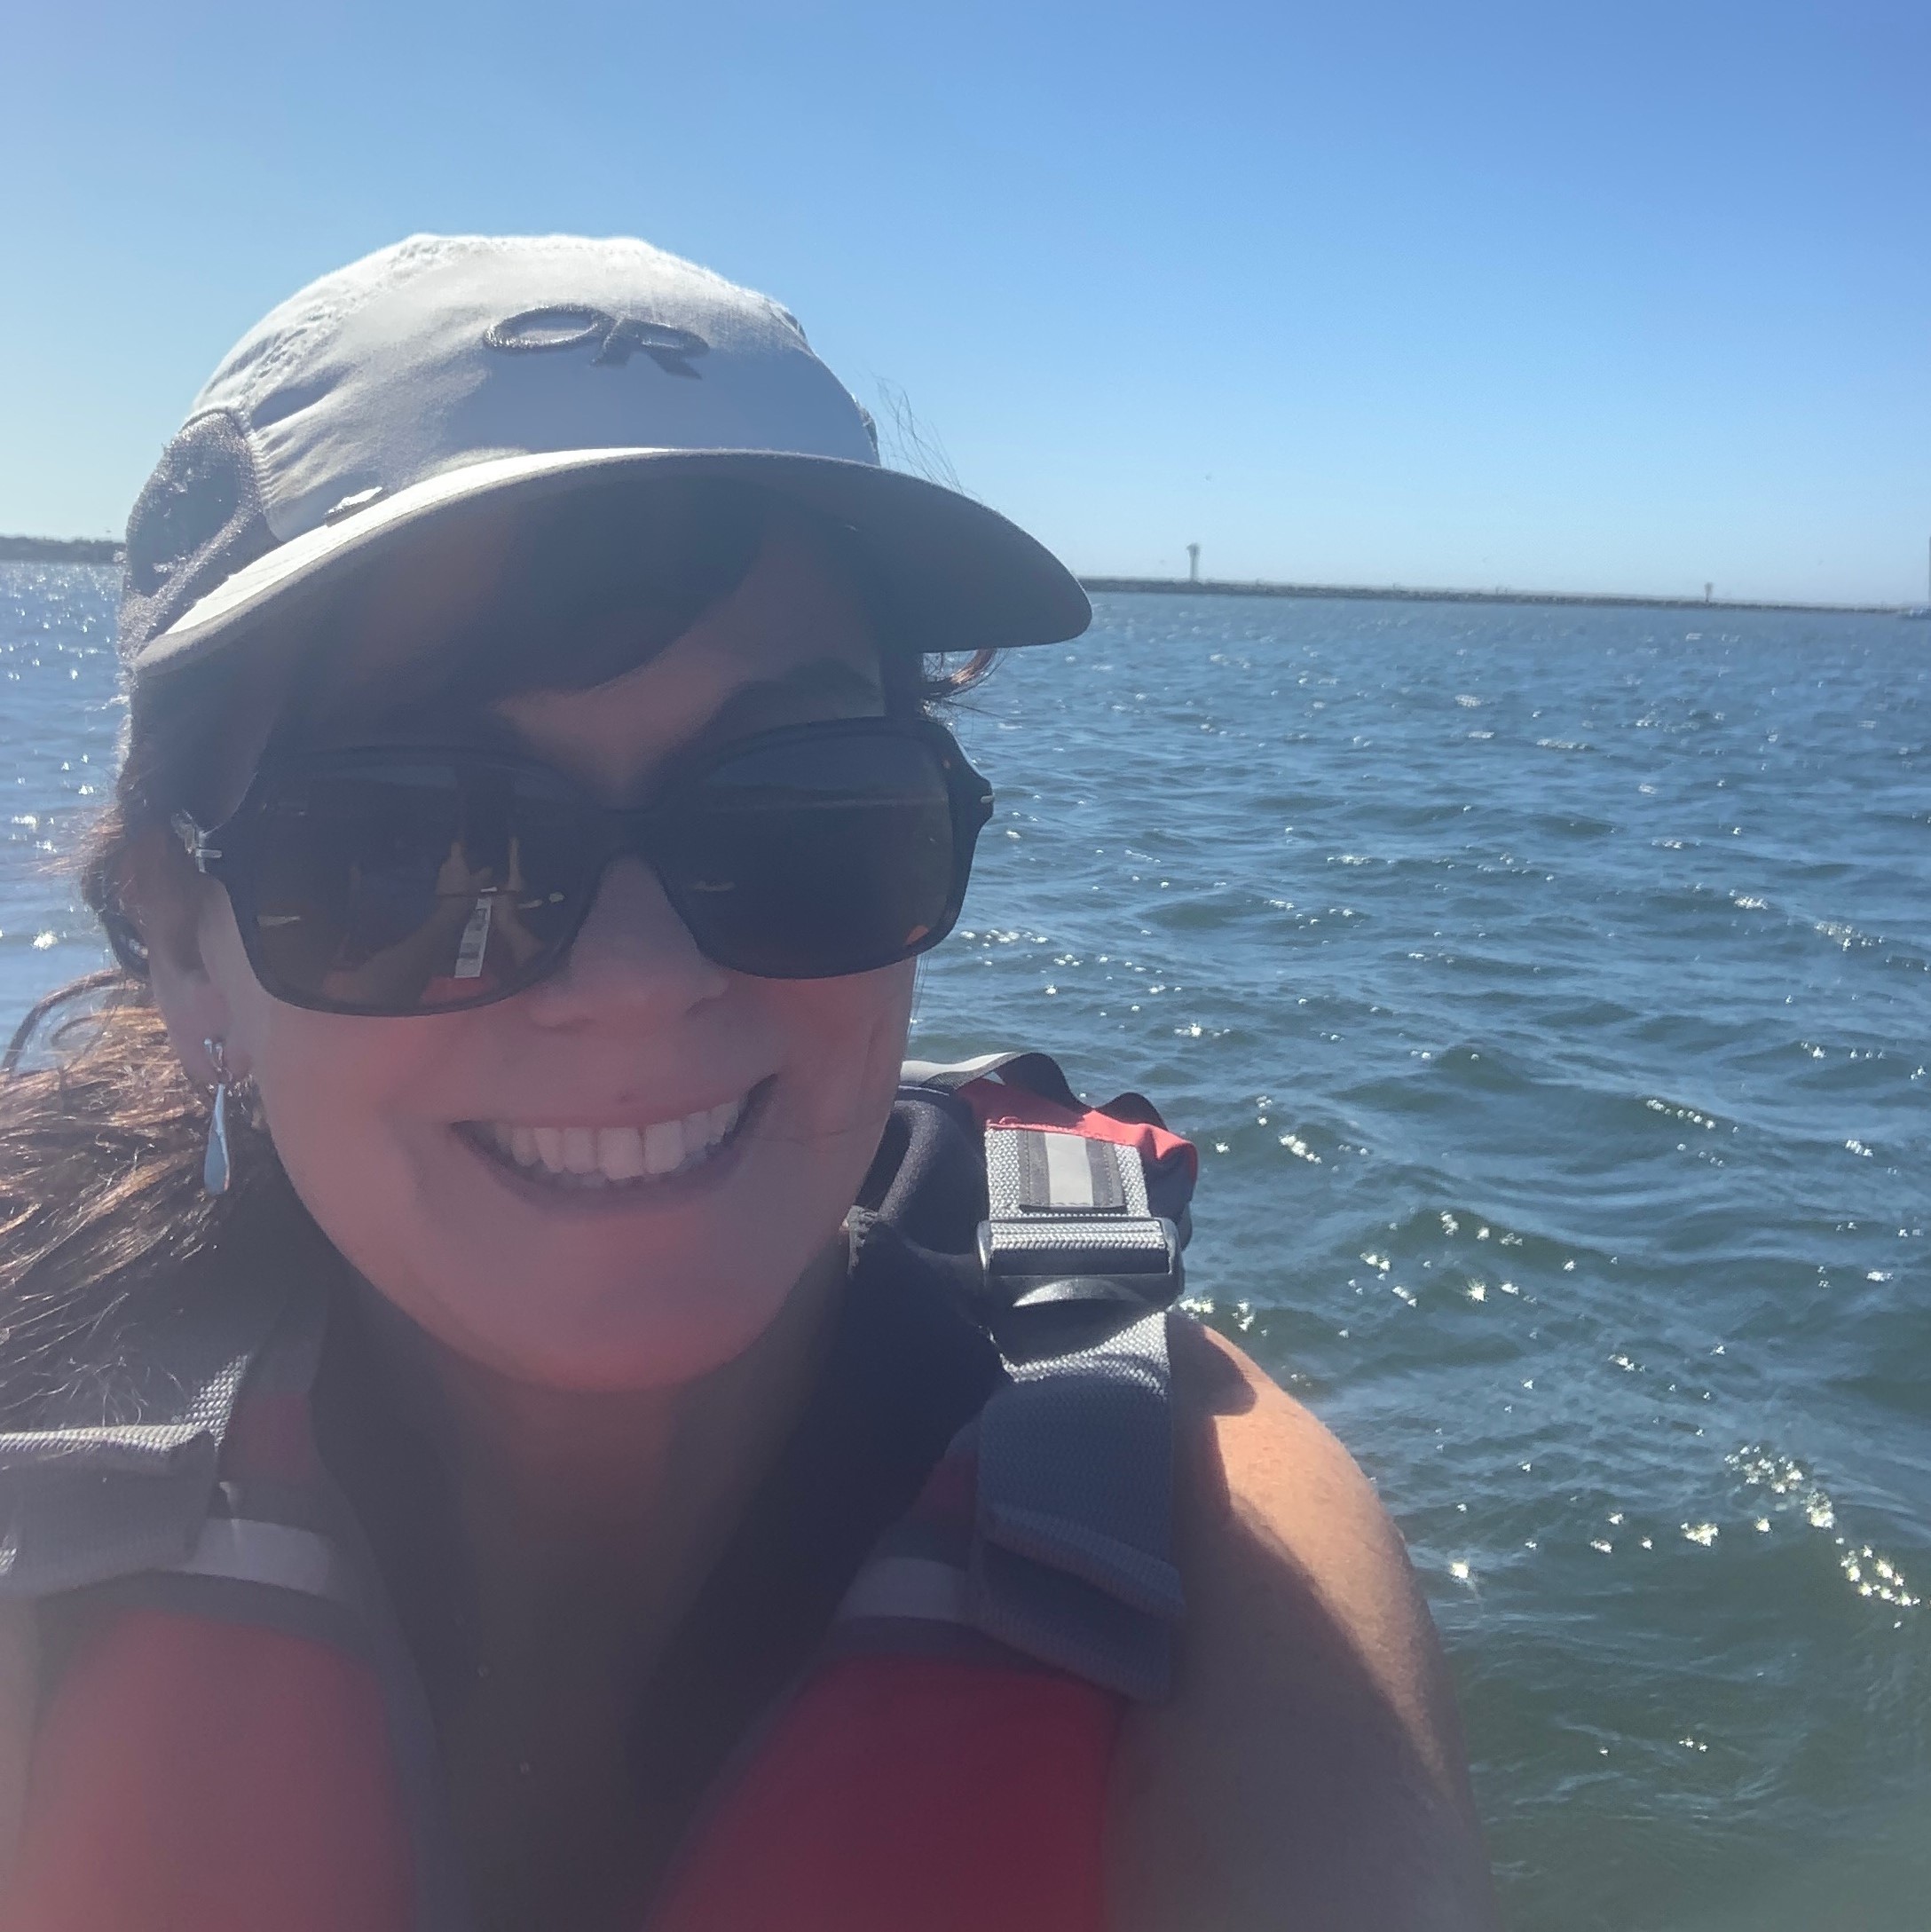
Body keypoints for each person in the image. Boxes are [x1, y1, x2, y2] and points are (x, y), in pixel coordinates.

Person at [0, 234, 1496, 1931]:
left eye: (799, 812)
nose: (642, 983)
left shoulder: (1210, 1550)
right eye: (407, 849)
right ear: (183, 950)